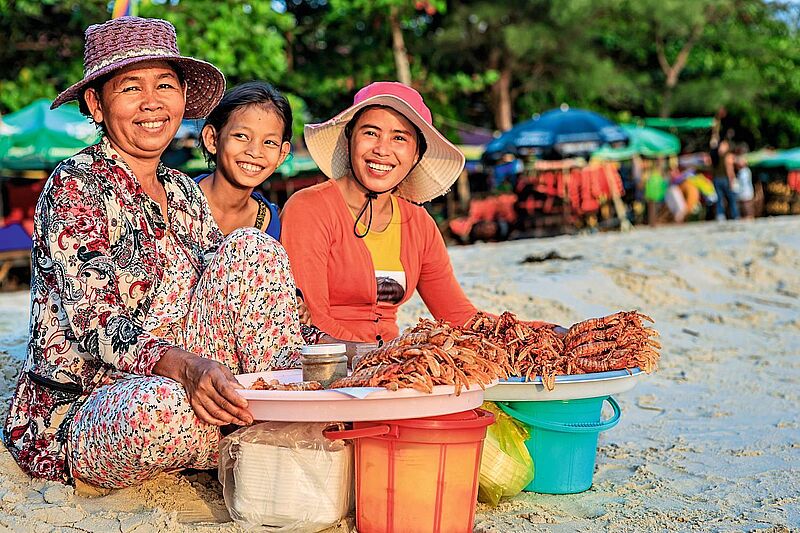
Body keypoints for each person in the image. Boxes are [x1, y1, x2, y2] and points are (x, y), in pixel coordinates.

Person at [3, 17, 305, 490]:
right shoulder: (75, 185)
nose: (152, 103)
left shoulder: (184, 190)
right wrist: (190, 369)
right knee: (161, 412)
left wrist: (331, 353)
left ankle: (279, 411)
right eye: (130, 88)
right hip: (94, 402)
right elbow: (99, 328)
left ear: (183, 98)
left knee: (253, 247)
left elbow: (232, 293)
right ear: (96, 105)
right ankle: (261, 429)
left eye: (165, 84)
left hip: (188, 376)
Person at [281, 82, 554, 345]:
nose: (382, 149)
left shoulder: (419, 223)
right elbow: (311, 322)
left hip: (392, 368)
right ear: (350, 138)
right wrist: (383, 357)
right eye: (370, 133)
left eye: (399, 138)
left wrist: (547, 332)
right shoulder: (309, 208)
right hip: (329, 368)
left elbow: (458, 316)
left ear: (415, 155)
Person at [196, 82, 312, 324]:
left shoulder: (270, 222)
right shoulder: (177, 201)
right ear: (212, 139)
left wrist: (295, 303)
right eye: (241, 136)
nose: (254, 151)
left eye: (269, 142)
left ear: (282, 154)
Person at [710, 139, 740, 220]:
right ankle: (735, 215)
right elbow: (729, 169)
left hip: (716, 179)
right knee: (731, 198)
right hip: (725, 179)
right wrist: (732, 180)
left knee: (719, 198)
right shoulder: (728, 156)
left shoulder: (714, 155)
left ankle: (720, 215)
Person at [734, 143, 755, 219]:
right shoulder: (744, 168)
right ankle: (747, 215)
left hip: (745, 188)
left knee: (747, 202)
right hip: (744, 188)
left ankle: (749, 216)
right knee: (745, 202)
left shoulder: (744, 169)